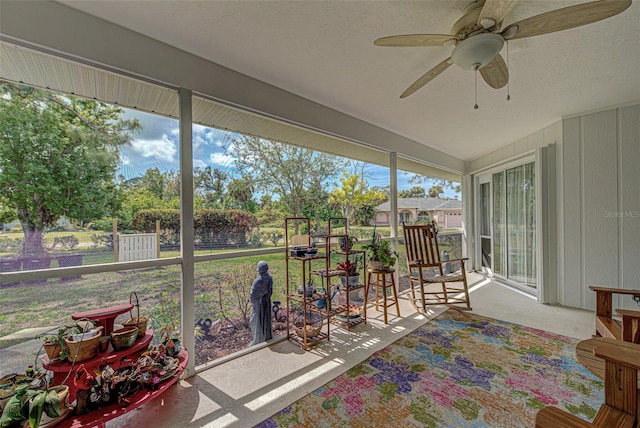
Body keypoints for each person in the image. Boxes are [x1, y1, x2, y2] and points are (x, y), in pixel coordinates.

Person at [249, 260, 273, 345]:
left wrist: (255, 300)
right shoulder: (270, 278)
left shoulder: (257, 281)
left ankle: (258, 339)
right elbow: (270, 292)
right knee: (266, 319)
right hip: (267, 301)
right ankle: (267, 336)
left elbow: (252, 296)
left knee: (255, 320)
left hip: (258, 304)